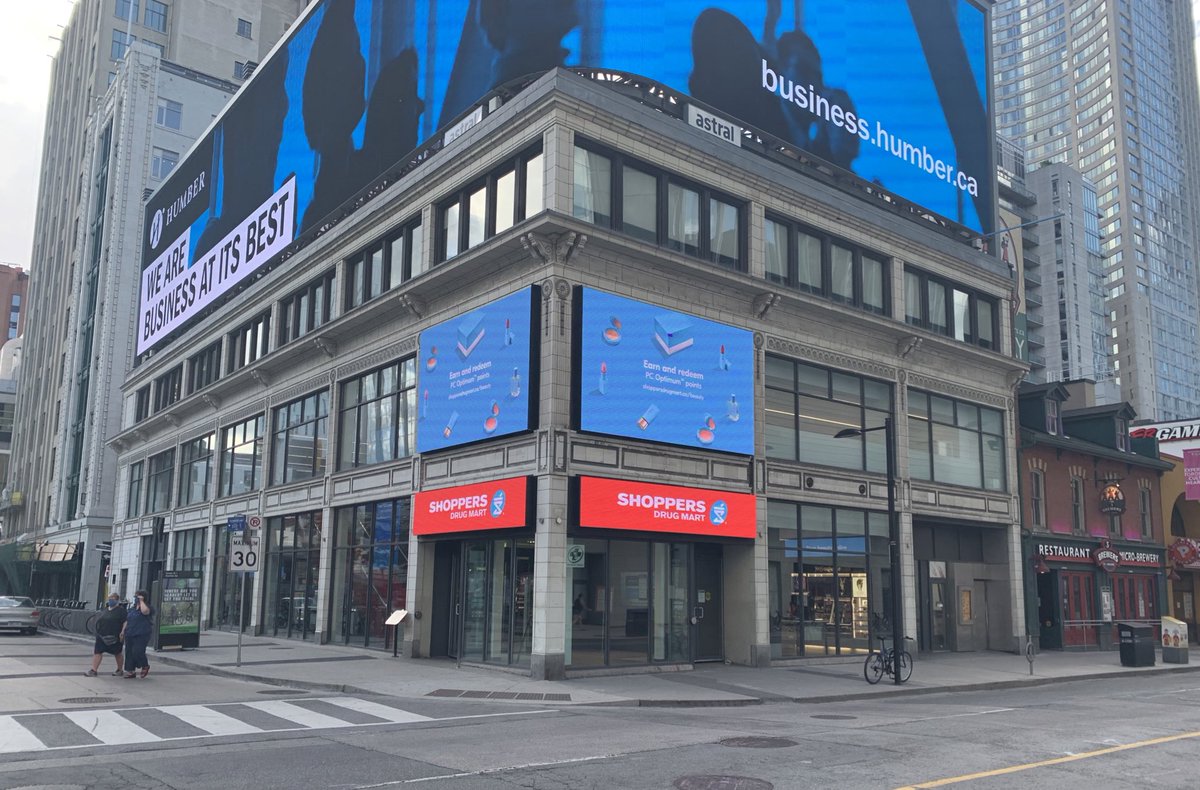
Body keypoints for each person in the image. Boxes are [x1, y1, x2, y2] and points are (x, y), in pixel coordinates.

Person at [85, 593, 125, 677]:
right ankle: (94, 670)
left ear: (117, 600)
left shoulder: (121, 611)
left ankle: (120, 669)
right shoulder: (106, 610)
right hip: (101, 635)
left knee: (117, 652)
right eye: (109, 598)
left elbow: (125, 621)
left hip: (114, 635)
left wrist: (122, 632)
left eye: (113, 598)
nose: (110, 600)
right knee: (98, 652)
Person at [121, 590, 154, 679]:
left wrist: (142, 602)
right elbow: (127, 620)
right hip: (130, 632)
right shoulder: (132, 609)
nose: (136, 598)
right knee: (129, 652)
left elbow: (145, 612)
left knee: (138, 651)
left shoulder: (147, 607)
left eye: (137, 597)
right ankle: (130, 670)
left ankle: (145, 665)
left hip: (142, 633)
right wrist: (123, 631)